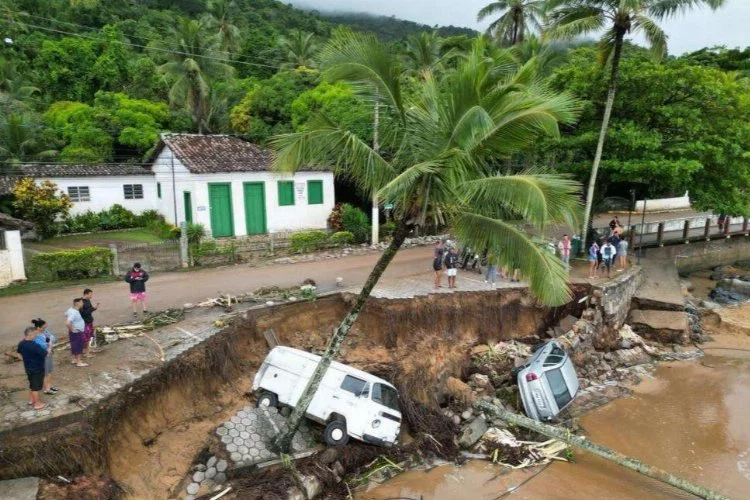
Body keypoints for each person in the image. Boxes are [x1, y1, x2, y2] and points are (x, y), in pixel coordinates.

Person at [17, 326, 48, 410]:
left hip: (28, 368)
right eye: (35, 334)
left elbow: (19, 353)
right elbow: (45, 354)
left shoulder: (21, 343)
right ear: (30, 335)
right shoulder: (35, 346)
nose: (36, 336)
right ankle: (37, 404)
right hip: (37, 369)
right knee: (36, 387)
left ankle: (31, 400)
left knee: (32, 384)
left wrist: (24, 360)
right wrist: (48, 348)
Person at [32, 319, 57, 395]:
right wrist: (49, 342)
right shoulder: (35, 336)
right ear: (38, 328)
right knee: (46, 373)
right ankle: (47, 389)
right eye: (43, 327)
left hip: (49, 354)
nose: (45, 328)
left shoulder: (45, 331)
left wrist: (49, 342)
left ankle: (49, 386)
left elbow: (54, 338)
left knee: (49, 371)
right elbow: (42, 346)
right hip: (43, 357)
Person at [66, 298, 88, 367]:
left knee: (74, 345)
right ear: (77, 303)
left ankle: (74, 359)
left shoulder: (71, 310)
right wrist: (72, 329)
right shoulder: (74, 312)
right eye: (81, 302)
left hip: (74, 332)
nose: (83, 304)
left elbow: (66, 314)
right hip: (77, 332)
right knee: (78, 346)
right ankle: (79, 362)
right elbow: (67, 322)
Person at [80, 288, 99, 357]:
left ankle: (88, 349)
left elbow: (90, 309)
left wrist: (95, 307)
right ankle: (86, 353)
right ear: (86, 294)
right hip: (85, 322)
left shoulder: (88, 300)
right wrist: (91, 309)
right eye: (90, 294)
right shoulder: (81, 302)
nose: (91, 296)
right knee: (86, 338)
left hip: (90, 321)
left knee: (89, 336)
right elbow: (82, 313)